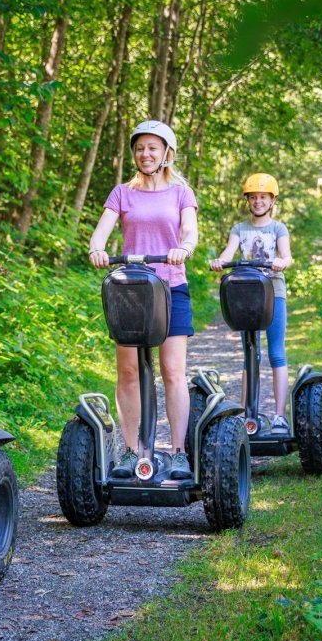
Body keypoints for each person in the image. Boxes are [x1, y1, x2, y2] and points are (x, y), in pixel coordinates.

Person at [87, 120, 198, 479]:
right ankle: (132, 451)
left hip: (170, 287)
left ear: (167, 153)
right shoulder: (122, 193)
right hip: (131, 291)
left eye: (152, 148)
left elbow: (189, 231)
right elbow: (101, 231)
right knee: (129, 371)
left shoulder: (182, 193)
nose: (145, 154)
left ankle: (179, 451)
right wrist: (97, 249)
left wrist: (183, 249)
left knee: (172, 371)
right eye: (140, 148)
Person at [209, 173, 293, 433]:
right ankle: (247, 415)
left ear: (272, 200)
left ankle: (279, 416)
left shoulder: (278, 228)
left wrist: (281, 261)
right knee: (250, 354)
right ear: (248, 200)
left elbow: (287, 256)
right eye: (253, 197)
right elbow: (228, 252)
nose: (258, 202)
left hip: (273, 292)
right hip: (246, 295)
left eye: (263, 197)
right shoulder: (239, 229)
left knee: (276, 352)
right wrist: (219, 262)